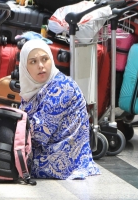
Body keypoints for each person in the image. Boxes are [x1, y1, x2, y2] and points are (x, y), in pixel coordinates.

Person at [18, 39, 100, 180]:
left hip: (62, 160)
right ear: (24, 68)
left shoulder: (62, 87)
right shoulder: (34, 88)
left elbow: (38, 134)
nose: (41, 66)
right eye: (33, 62)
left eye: (45, 59)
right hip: (44, 152)